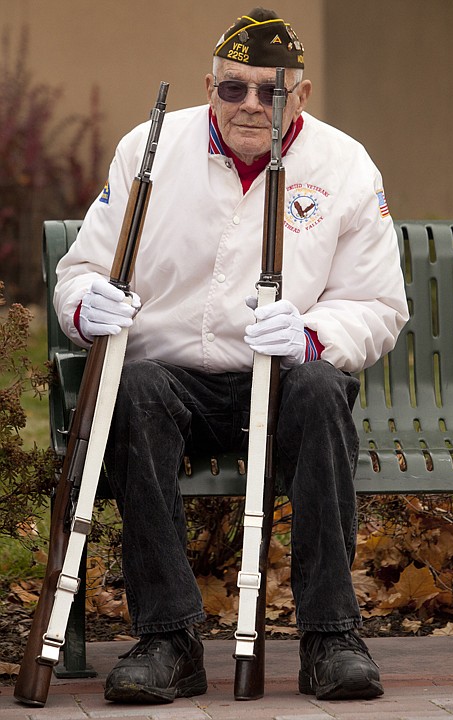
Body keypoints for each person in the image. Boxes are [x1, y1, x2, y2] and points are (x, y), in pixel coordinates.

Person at [54, 7, 408, 705]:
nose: (251, 105)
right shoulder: (148, 149)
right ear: (208, 86)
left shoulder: (345, 164)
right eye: (233, 88)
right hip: (169, 377)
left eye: (271, 91)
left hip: (278, 378)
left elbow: (379, 305)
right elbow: (81, 271)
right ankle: (169, 639)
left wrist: (311, 334)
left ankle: (331, 636)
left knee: (320, 388)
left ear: (300, 95)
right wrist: (87, 306)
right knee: (134, 390)